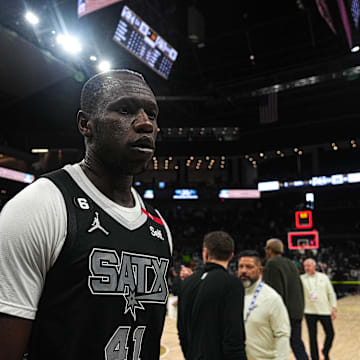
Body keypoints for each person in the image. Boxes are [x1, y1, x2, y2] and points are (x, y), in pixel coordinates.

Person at [0, 69, 173, 360]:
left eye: (152, 115)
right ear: (85, 124)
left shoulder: (159, 227)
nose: (145, 123)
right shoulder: (40, 206)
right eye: (126, 110)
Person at [177, 231, 247, 360]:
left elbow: (182, 330)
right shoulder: (232, 284)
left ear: (206, 253)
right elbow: (233, 335)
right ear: (231, 256)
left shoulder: (187, 282)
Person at [238, 250, 290, 360]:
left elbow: (282, 334)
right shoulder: (233, 295)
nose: (243, 271)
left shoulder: (272, 298)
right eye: (241, 266)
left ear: (260, 270)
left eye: (249, 267)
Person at [263, 238, 309, 360]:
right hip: (296, 311)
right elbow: (299, 287)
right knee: (297, 344)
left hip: (283, 313)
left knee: (274, 347)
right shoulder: (291, 263)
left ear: (269, 250)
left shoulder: (271, 264)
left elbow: (273, 293)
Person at [301, 258, 337, 360]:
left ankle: (325, 351)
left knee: (330, 334)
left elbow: (331, 293)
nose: (307, 268)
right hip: (309, 311)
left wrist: (334, 308)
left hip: (324, 311)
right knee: (312, 337)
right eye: (305, 266)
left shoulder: (324, 277)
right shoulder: (301, 279)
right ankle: (315, 358)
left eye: (309, 265)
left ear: (315, 266)